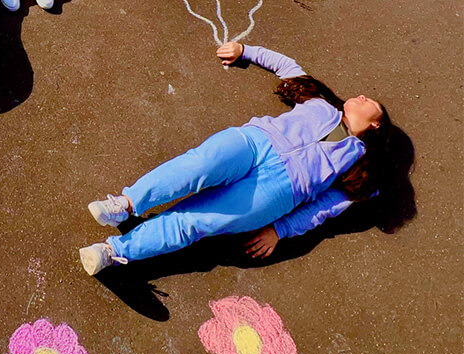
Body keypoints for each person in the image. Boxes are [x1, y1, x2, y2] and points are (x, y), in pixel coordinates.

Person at [79, 42, 395, 274]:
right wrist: (245, 51)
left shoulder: (360, 166)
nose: (362, 96)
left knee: (195, 222)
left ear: (377, 124)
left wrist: (280, 230)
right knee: (197, 165)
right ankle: (126, 204)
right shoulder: (322, 102)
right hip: (256, 142)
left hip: (280, 191)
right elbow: (286, 65)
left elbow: (323, 208)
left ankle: (111, 251)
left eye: (372, 103)